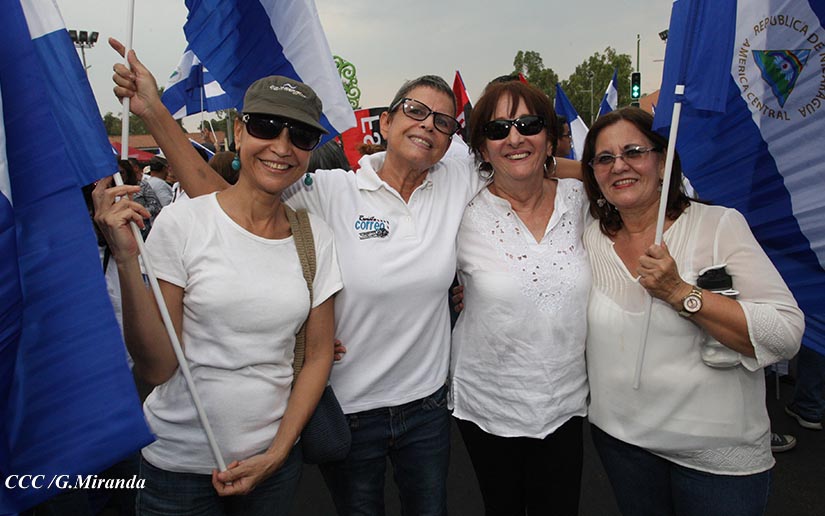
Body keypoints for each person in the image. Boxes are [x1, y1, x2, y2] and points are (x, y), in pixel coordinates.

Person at [110, 41, 581, 515]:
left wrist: (605, 168)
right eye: (415, 111)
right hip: (351, 412)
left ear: (449, 142)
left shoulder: (458, 179)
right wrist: (155, 112)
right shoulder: (331, 191)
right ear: (386, 122)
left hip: (426, 408)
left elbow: (525, 160)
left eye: (443, 121)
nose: (428, 125)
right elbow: (231, 205)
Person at [99, 61, 343, 515]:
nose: (282, 147)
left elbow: (317, 355)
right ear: (240, 131)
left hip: (273, 466)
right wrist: (128, 261)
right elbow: (156, 367)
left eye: (301, 135)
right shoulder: (183, 222)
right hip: (177, 469)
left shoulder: (316, 238)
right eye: (267, 126)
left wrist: (277, 453)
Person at [580, 107, 804, 515]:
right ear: (593, 174)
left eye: (634, 152)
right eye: (604, 158)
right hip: (622, 445)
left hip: (715, 458)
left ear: (663, 162)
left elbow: (786, 335)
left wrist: (681, 293)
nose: (619, 166)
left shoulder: (718, 225)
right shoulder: (589, 238)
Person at [450, 81, 589, 515]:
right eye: (498, 129)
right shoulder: (460, 209)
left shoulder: (583, 200)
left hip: (565, 402)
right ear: (482, 147)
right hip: (489, 403)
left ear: (550, 137)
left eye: (528, 125)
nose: (514, 138)